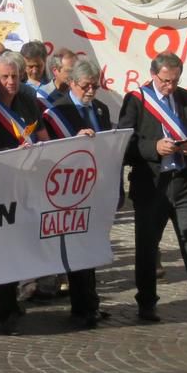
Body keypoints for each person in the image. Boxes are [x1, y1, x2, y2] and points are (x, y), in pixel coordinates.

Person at [119, 51, 187, 326]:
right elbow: (125, 144)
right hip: (151, 185)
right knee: (146, 248)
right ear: (154, 75)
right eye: (166, 81)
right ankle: (146, 303)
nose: (170, 86)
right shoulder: (137, 100)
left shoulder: (186, 99)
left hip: (182, 183)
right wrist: (153, 147)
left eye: (175, 80)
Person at [0, 50, 48, 334]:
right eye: (5, 77)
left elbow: (41, 135)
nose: (11, 82)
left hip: (24, 183)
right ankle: (6, 304)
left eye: (15, 76)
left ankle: (13, 295)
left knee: (19, 242)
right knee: (1, 244)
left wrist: (38, 148)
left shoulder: (28, 101)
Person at [44, 59, 114, 328]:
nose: (91, 91)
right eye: (86, 86)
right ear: (72, 83)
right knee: (76, 249)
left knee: (94, 245)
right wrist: (75, 140)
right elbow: (52, 152)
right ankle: (81, 305)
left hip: (97, 187)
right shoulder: (58, 112)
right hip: (70, 190)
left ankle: (92, 302)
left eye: (95, 86)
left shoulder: (101, 109)